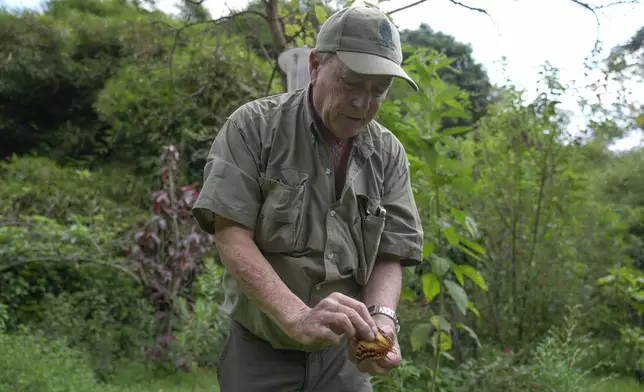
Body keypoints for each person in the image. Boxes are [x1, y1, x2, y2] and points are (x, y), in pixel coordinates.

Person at [191, 4, 423, 392]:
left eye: (378, 91)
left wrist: (382, 320)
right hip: (261, 351)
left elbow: (390, 252)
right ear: (316, 65)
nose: (363, 104)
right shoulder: (254, 127)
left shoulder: (388, 153)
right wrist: (297, 317)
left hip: (343, 360)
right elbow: (232, 236)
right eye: (352, 83)